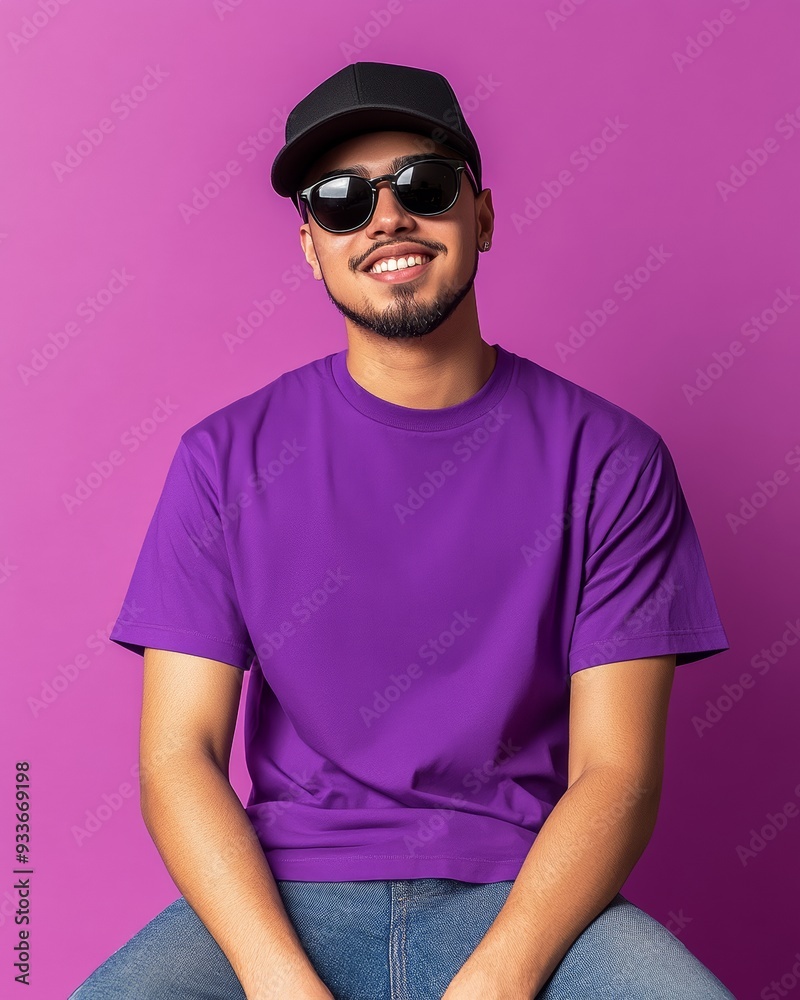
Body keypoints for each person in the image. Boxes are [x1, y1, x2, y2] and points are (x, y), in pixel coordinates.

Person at [68, 61, 737, 1000]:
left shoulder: (612, 460)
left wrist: (501, 979)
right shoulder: (224, 459)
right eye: (341, 201)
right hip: (284, 898)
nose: (385, 218)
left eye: (421, 185)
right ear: (311, 246)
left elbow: (617, 772)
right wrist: (272, 979)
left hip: (524, 897)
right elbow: (179, 755)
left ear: (483, 215)